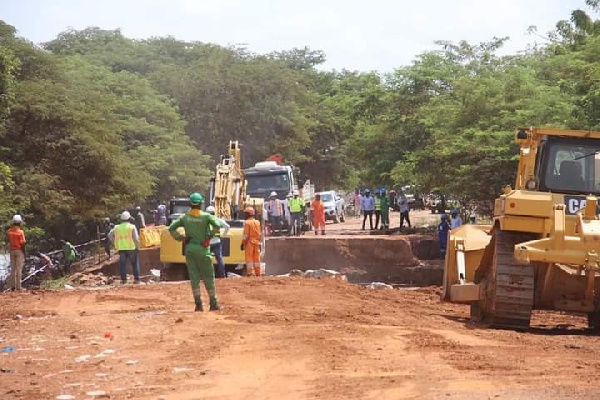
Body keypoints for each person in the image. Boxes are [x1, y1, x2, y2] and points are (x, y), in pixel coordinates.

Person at [169, 193, 222, 311]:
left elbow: (171, 228)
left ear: (190, 204)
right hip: (203, 250)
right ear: (201, 204)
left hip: (190, 250)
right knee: (208, 276)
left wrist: (181, 238)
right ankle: (213, 303)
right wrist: (208, 237)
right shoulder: (206, 216)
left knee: (194, 277)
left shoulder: (184, 217)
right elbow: (217, 226)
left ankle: (198, 305)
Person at [109, 211, 140, 284]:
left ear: (121, 219)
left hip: (121, 249)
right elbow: (136, 238)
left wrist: (114, 243)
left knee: (122, 265)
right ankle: (136, 280)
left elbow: (110, 235)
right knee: (135, 264)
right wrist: (138, 247)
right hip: (131, 248)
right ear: (129, 218)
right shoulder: (132, 227)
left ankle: (124, 280)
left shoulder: (116, 227)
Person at [206, 205, 230, 278]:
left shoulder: (205, 221)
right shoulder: (218, 220)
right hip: (217, 242)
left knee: (207, 259)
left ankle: (209, 275)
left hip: (208, 243)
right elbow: (227, 226)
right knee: (219, 259)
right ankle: (222, 275)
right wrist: (223, 235)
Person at [6, 214, 26, 291]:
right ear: (20, 223)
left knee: (12, 269)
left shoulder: (9, 231)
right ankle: (19, 287)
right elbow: (23, 243)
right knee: (19, 269)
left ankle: (12, 286)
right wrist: (24, 253)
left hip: (12, 251)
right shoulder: (20, 232)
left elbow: (7, 234)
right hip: (19, 251)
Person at [242, 206, 262, 276]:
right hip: (257, 242)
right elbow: (259, 233)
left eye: (245, 213)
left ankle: (250, 273)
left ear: (248, 214)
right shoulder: (257, 222)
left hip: (249, 243)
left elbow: (246, 235)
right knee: (257, 259)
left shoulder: (247, 222)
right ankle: (258, 273)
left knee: (249, 259)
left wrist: (243, 243)